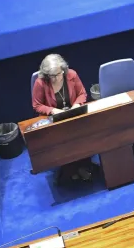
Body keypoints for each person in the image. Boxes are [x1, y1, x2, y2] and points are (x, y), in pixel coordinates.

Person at [31, 54, 93, 182]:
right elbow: (37, 105)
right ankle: (72, 169)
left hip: (74, 115)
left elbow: (82, 93)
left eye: (57, 74)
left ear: (63, 70)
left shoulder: (71, 75)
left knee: (86, 134)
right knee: (63, 139)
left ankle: (83, 164)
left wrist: (76, 105)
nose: (54, 79)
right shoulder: (40, 82)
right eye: (51, 76)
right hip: (55, 120)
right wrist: (53, 110)